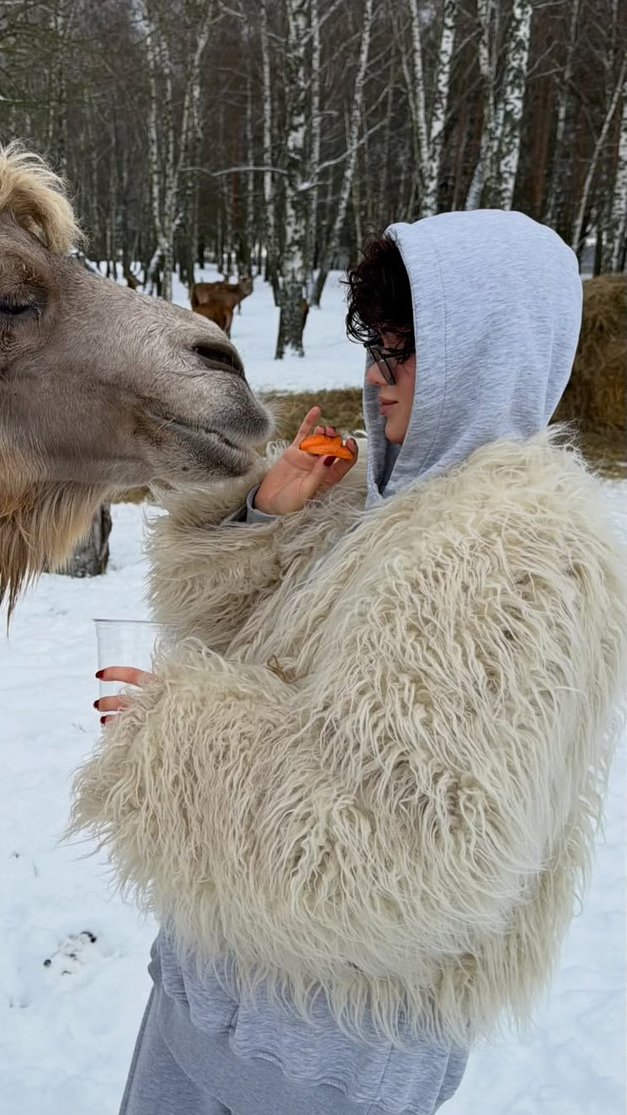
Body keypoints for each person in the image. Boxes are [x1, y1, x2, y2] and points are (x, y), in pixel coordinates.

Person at [71, 211, 627, 1115]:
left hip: (322, 1044)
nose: (378, 372)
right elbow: (214, 631)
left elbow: (419, 858)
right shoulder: (375, 490)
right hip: (216, 982)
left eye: (406, 351)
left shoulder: (513, 554)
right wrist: (262, 513)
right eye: (376, 341)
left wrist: (175, 728)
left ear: (486, 353)